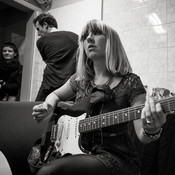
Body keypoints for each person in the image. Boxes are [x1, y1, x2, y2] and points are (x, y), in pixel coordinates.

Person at [32, 19, 167, 175]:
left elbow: (143, 135)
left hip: (115, 158)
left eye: (96, 33)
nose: (88, 38)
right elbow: (55, 94)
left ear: (111, 41)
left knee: (51, 171)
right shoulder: (79, 79)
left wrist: (152, 129)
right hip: (78, 154)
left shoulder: (131, 82)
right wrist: (48, 106)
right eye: (85, 36)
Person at [33, 12, 79, 101]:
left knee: (38, 112)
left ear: (45, 25)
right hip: (70, 87)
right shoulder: (76, 37)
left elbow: (48, 61)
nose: (38, 34)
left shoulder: (41, 41)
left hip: (49, 86)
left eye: (38, 29)